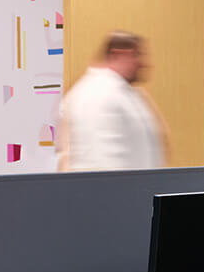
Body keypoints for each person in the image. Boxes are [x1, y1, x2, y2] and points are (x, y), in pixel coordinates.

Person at [57, 30, 168, 171]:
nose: (143, 64)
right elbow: (101, 163)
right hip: (115, 190)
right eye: (137, 55)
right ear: (117, 54)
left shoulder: (125, 92)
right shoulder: (96, 93)